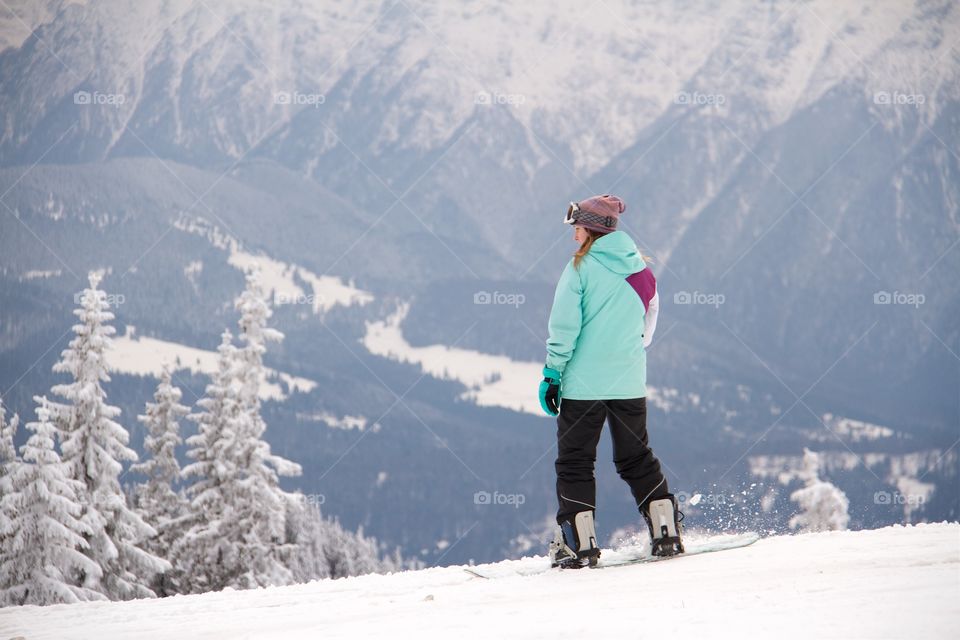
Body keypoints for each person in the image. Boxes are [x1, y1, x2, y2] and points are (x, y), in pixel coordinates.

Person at [538, 194, 683, 568]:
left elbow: (564, 328)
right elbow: (646, 333)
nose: (574, 237)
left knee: (575, 462)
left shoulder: (579, 270)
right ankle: (665, 531)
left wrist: (553, 373)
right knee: (636, 458)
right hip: (629, 383)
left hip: (583, 386)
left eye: (578, 228)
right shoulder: (643, 274)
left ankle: (578, 544)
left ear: (592, 229)